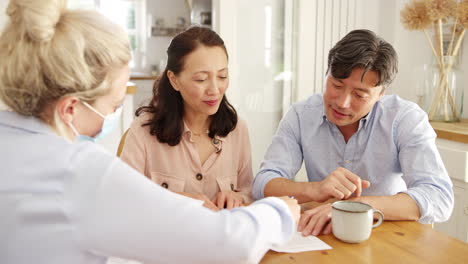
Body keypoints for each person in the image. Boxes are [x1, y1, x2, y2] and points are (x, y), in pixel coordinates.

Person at [0, 1, 300, 263]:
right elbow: (231, 243)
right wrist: (281, 210)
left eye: (222, 76)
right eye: (113, 105)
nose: (112, 116)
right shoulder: (81, 171)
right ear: (70, 109)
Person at [252, 29, 454, 236]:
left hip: (390, 236)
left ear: (381, 94)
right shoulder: (300, 115)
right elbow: (263, 182)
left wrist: (357, 207)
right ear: (327, 74)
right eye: (336, 85)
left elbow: (439, 197)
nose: (342, 103)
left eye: (359, 94)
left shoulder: (404, 119)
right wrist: (314, 189)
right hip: (325, 236)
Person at [120, 26, 253, 211]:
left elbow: (248, 193)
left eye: (222, 76)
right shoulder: (143, 131)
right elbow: (123, 199)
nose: (215, 89)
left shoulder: (237, 129)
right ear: (174, 80)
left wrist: (238, 198)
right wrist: (178, 201)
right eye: (201, 79)